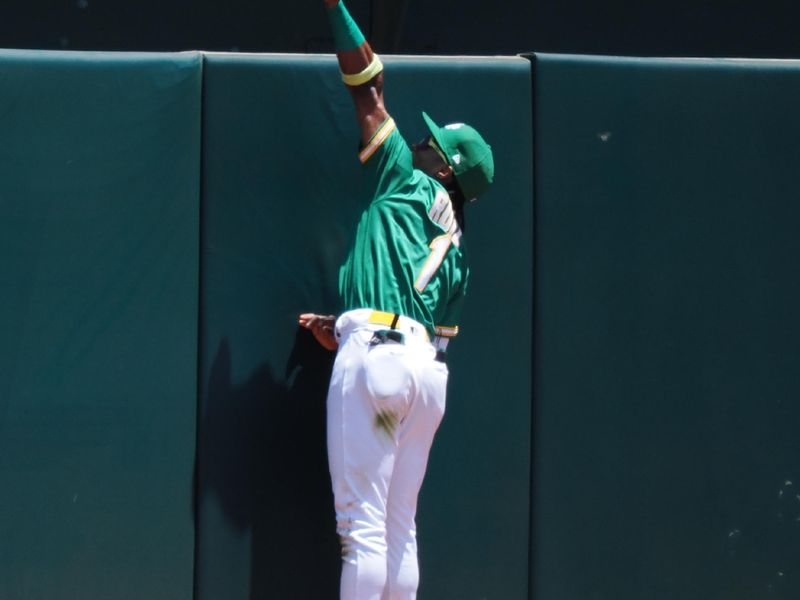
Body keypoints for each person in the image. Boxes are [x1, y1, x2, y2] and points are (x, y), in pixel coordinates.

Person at [299, 1, 494, 598]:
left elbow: (368, 92)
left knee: (362, 529)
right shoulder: (457, 249)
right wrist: (348, 322)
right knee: (398, 528)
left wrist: (334, 8)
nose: (420, 142)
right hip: (423, 381)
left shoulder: (402, 179)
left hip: (379, 360)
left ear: (443, 169)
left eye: (432, 145)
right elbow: (429, 337)